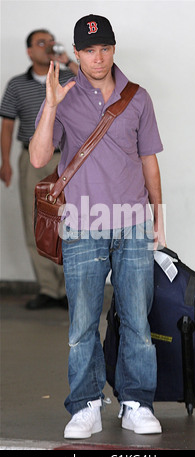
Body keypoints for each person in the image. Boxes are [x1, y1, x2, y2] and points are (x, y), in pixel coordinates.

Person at [29, 15, 166, 438]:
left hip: (132, 226)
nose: (98, 57)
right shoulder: (61, 98)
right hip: (81, 225)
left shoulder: (137, 97)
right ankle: (85, 405)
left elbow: (148, 160)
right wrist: (51, 104)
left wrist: (159, 216)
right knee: (82, 323)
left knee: (137, 321)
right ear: (76, 54)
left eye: (104, 48)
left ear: (113, 49)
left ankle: (136, 402)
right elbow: (37, 159)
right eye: (89, 50)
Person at [0, 29, 79, 309]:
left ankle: (70, 289)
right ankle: (48, 289)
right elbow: (7, 125)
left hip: (66, 159)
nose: (46, 47)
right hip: (31, 160)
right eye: (40, 43)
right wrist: (5, 161)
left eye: (50, 41)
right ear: (29, 51)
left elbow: (96, 84)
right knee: (35, 222)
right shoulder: (16, 85)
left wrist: (68, 61)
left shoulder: (69, 78)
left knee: (69, 221)